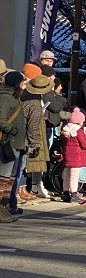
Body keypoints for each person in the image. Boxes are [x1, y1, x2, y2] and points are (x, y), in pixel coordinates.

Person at [21, 73, 53, 200]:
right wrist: (35, 144)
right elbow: (33, 124)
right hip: (25, 137)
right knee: (22, 166)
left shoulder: (24, 97)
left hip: (19, 134)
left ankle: (20, 190)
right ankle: (17, 192)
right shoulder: (35, 103)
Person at [0, 67, 26, 221]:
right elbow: (1, 119)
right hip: (8, 143)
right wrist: (13, 130)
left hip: (15, 143)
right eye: (22, 83)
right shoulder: (5, 98)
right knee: (3, 177)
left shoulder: (14, 98)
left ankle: (4, 208)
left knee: (9, 177)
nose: (23, 86)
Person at [59, 108, 86, 203]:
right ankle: (73, 193)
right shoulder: (79, 131)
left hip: (68, 156)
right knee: (74, 176)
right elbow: (84, 144)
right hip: (77, 157)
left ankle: (65, 192)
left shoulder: (66, 130)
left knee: (67, 175)